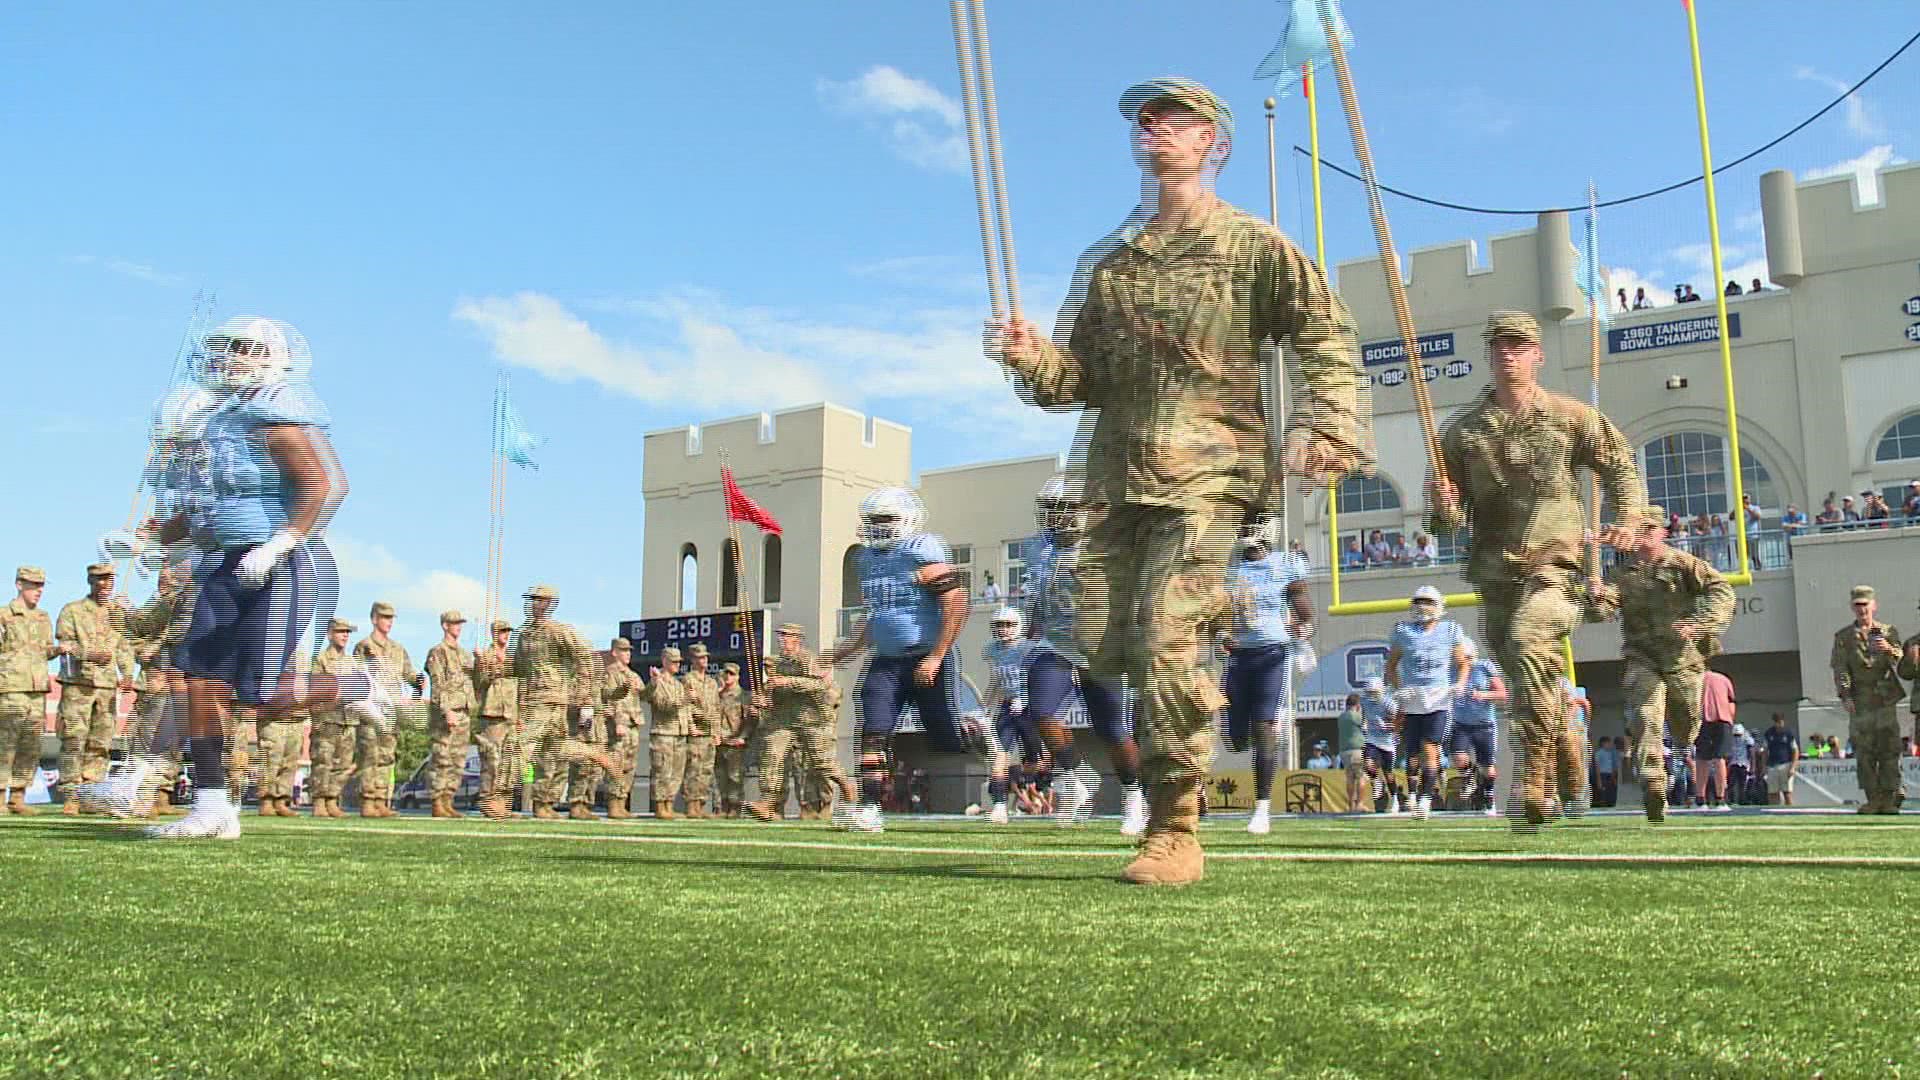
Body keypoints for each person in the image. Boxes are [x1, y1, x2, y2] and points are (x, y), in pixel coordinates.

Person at [991, 77, 1369, 883]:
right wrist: (1030, 355)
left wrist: (1326, 422)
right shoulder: (1111, 261)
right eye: (1146, 119)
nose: (1155, 127)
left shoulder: (1250, 243)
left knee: (1169, 628)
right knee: (1100, 640)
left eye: (1175, 119)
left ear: (1212, 144)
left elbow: (1324, 330)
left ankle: (1176, 827)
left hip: (1212, 471)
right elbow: (1073, 382)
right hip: (1118, 480)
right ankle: (1175, 761)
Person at [138, 317, 375, 840]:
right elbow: (220, 508)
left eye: (240, 350)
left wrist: (279, 543)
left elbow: (325, 484)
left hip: (279, 562)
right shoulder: (221, 419)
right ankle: (212, 806)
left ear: (269, 355)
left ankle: (359, 682)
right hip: (227, 563)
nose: (228, 360)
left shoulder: (277, 409)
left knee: (262, 695)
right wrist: (158, 536)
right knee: (197, 683)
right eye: (223, 351)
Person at [1428, 311, 1643, 828]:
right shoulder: (1463, 434)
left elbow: (1619, 464)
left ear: (1537, 355)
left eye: (1520, 346)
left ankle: (1534, 786)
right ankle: (1569, 750)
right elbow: (1444, 524)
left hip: (1554, 562)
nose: (1509, 354)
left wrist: (1630, 517)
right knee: (1530, 682)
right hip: (1495, 568)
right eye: (1500, 345)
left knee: (1529, 645)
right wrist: (1442, 504)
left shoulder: (1570, 416)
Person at [828, 487, 976, 835]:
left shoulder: (921, 551)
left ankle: (990, 747)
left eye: (886, 520)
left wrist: (937, 657)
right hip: (887, 660)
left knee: (947, 740)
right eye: (873, 521)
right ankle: (870, 807)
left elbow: (956, 602)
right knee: (872, 730)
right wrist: (849, 648)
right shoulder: (865, 560)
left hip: (926, 655)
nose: (878, 527)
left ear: (907, 520)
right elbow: (877, 614)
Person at [1015, 474, 1147, 832]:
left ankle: (1134, 794)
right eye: (1051, 511)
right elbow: (1037, 594)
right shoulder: (1039, 546)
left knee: (1112, 731)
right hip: (1053, 644)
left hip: (1098, 646)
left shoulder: (1108, 546)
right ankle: (1075, 775)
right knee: (1040, 712)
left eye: (1065, 510)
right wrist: (1031, 629)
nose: (1057, 518)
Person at [1587, 505, 1734, 822]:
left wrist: (1701, 622)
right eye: (1638, 530)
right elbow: (1602, 612)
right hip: (1643, 657)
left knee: (1686, 724)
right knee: (1645, 716)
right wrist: (1595, 595)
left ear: (1663, 532)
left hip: (1683, 660)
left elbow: (1721, 589)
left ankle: (1683, 741)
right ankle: (1653, 782)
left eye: (1650, 529)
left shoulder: (1683, 564)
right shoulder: (1624, 573)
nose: (1643, 536)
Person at [1224, 513, 1316, 835]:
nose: (1245, 530)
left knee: (1264, 725)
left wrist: (1303, 630)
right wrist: (1220, 633)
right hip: (1238, 656)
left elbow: (1305, 611)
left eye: (1252, 524)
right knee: (1235, 738)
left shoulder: (1284, 564)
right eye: (1243, 524)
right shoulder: (1228, 565)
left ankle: (1261, 808)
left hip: (1272, 653)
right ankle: (1253, 738)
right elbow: (1215, 615)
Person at [503, 583, 616, 821]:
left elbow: (585, 658)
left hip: (557, 702)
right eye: (534, 599)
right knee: (521, 749)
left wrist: (583, 696)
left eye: (543, 600)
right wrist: (517, 706)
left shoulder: (560, 631)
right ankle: (500, 799)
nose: (537, 604)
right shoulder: (523, 635)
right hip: (533, 703)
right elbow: (517, 672)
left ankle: (544, 803)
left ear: (551, 604)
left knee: (553, 754)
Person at [745, 624, 857, 821]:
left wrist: (789, 682)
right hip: (786, 721)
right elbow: (776, 697)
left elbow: (821, 685)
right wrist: (764, 701)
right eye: (780, 636)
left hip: (812, 719)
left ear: (797, 639)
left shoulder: (808, 659)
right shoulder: (779, 664)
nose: (781, 640)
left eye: (785, 637)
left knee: (821, 762)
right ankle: (768, 802)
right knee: (772, 754)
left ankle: (845, 783)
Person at [54, 563, 135, 813]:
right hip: (78, 686)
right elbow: (65, 646)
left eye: (109, 581)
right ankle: (71, 794)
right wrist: (89, 654)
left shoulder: (117, 613)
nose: (105, 585)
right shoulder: (73, 611)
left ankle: (92, 793)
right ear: (90, 581)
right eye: (100, 580)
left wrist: (128, 674)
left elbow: (124, 647)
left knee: (101, 742)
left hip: (107, 687)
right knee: (74, 739)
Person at [1386, 585, 1468, 820]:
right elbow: (1391, 665)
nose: (1423, 606)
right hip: (1412, 697)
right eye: (1419, 601)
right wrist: (1399, 689)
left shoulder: (1450, 629)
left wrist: (1460, 683)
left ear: (1439, 605)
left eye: (1428, 601)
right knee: (1412, 753)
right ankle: (1414, 795)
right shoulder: (1402, 630)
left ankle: (1425, 800)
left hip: (1438, 696)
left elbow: (1463, 663)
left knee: (1431, 750)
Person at [1831, 585, 1905, 814]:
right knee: (1864, 751)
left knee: (1889, 749)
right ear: (1852, 607)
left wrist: (1889, 650)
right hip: (1861, 700)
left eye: (1865, 604)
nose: (1862, 609)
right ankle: (1873, 797)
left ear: (1874, 605)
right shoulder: (1844, 637)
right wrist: (1845, 695)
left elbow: (1903, 665)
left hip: (1885, 698)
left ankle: (1890, 796)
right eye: (1857, 605)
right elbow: (1841, 668)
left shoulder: (1888, 631)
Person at [0, 567, 63, 815]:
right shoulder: (4, 615)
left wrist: (58, 650)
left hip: (37, 690)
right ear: (19, 584)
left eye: (41, 585)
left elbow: (45, 650)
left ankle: (18, 797)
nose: (39, 590)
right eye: (33, 585)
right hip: (11, 688)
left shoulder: (43, 618)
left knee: (30, 746)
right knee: (5, 745)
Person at [353, 601, 421, 819]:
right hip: (372, 710)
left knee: (386, 757)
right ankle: (367, 800)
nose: (388, 622)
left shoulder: (398, 649)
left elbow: (409, 674)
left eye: (391, 618)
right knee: (369, 757)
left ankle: (381, 800)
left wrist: (418, 681)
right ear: (374, 619)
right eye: (384, 617)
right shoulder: (364, 646)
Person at [981, 606, 1036, 825]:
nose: (1004, 629)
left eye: (1008, 624)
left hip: (1030, 708)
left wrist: (1025, 699)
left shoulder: (1029, 649)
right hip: (1006, 707)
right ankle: (999, 805)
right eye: (999, 625)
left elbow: (1040, 681)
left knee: (1034, 761)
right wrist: (984, 707)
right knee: (999, 756)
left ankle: (1066, 785)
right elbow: (995, 682)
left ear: (1018, 626)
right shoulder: (992, 650)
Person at [424, 610, 476, 819]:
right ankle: (437, 801)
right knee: (442, 758)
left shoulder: (464, 654)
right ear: (445, 625)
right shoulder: (438, 652)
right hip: (447, 713)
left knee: (457, 760)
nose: (458, 627)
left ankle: (448, 800)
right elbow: (438, 684)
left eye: (460, 623)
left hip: (464, 711)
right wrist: (446, 712)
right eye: (454, 623)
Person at [305, 619, 358, 819]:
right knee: (322, 762)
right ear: (329, 634)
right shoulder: (320, 659)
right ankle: (319, 801)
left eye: (347, 632)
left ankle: (332, 800)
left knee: (343, 764)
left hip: (349, 720)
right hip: (327, 719)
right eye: (340, 631)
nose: (345, 635)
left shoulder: (352, 662)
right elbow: (315, 690)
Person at [1448, 638, 1506, 815]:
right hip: (1461, 723)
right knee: (1458, 757)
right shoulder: (1450, 671)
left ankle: (1488, 795)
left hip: (1484, 725)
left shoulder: (1484, 667)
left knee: (1488, 768)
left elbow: (1503, 694)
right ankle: (1471, 776)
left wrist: (1484, 694)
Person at [472, 618, 518, 819]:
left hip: (511, 714)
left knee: (509, 763)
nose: (505, 635)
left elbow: (518, 687)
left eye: (507, 631)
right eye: (501, 631)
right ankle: (487, 801)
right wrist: (484, 663)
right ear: (493, 633)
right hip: (493, 713)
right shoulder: (485, 655)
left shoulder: (512, 657)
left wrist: (520, 715)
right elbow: (480, 682)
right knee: (491, 761)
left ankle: (503, 804)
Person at [637, 645, 690, 819]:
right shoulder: (657, 681)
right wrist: (682, 701)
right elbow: (661, 704)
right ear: (665, 661)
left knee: (676, 772)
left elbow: (685, 710)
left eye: (679, 662)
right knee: (662, 771)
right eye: (674, 662)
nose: (677, 665)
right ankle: (660, 806)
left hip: (679, 733)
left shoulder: (678, 684)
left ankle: (669, 804)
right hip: (664, 733)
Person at [597, 637, 644, 819]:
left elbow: (643, 693)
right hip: (619, 726)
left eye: (629, 651)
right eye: (624, 651)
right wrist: (617, 722)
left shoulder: (632, 675)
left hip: (633, 724)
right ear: (615, 652)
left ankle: (622, 802)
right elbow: (610, 699)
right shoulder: (610, 673)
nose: (628, 654)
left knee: (629, 765)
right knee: (616, 764)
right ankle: (613, 803)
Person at [679, 643, 722, 819]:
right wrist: (691, 726)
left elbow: (717, 708)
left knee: (706, 770)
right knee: (693, 769)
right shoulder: (688, 679)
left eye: (705, 657)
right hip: (697, 731)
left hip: (709, 732)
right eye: (700, 657)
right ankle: (691, 804)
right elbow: (686, 706)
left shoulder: (712, 682)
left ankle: (701, 804)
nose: (703, 660)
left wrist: (717, 732)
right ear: (693, 660)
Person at [711, 661, 756, 817]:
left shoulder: (743, 696)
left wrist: (743, 738)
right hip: (718, 743)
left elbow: (749, 721)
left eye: (731, 674)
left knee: (735, 777)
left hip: (735, 744)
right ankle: (721, 807)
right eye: (726, 673)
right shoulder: (716, 695)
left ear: (737, 677)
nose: (728, 677)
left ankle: (735, 808)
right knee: (719, 777)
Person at [1693, 666, 1737, 811]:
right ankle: (1721, 799)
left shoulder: (1694, 679)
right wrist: (1730, 720)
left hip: (1702, 720)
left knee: (1702, 759)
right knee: (1720, 758)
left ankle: (1700, 800)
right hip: (1723, 720)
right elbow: (1732, 702)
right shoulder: (1724, 679)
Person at [1359, 678, 1402, 814]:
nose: (1371, 695)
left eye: (1374, 692)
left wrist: (1392, 726)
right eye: (1369, 692)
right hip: (1372, 739)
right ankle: (1376, 781)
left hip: (1388, 741)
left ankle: (1394, 798)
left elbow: (1400, 719)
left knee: (1388, 773)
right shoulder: (1364, 701)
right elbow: (1365, 715)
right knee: (1368, 764)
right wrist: (1364, 725)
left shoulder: (1388, 703)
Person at [1336, 692, 1366, 812]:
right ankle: (1360, 804)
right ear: (1358, 704)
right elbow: (1367, 726)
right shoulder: (1356, 716)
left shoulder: (1341, 717)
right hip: (1357, 750)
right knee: (1361, 778)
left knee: (1350, 779)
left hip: (1344, 751)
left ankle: (1350, 805)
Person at [1763, 713, 1798, 805]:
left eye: (1780, 721)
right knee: (1772, 793)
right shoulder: (1769, 733)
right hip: (1772, 765)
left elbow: (1795, 750)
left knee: (1787, 792)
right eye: (1776, 722)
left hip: (1786, 764)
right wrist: (1764, 766)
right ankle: (1774, 812)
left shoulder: (1789, 733)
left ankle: (1790, 813)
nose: (1778, 724)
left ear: (1783, 721)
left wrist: (1793, 767)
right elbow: (1765, 751)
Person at [1727, 722, 1754, 807]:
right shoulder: (1730, 739)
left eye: (1738, 735)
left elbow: (1751, 752)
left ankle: (1743, 800)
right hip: (1733, 763)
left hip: (1743, 764)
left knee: (1743, 783)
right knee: (1731, 783)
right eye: (1736, 735)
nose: (1737, 737)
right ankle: (1731, 800)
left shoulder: (1747, 739)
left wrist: (1752, 765)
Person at [1592, 736, 1619, 808]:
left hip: (1611, 776)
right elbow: (1597, 767)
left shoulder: (1611, 753)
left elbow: (1613, 766)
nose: (1610, 744)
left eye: (1610, 743)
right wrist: (1599, 780)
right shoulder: (1598, 753)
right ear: (1603, 743)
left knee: (1612, 794)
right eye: (1608, 743)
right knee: (1604, 795)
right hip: (1603, 775)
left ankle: (1611, 806)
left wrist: (1614, 778)